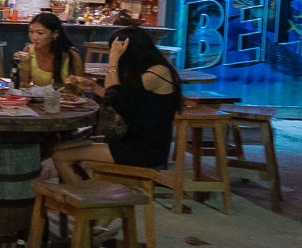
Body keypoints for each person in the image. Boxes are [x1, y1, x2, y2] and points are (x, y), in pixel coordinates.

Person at [52, 27, 182, 181]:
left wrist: (113, 59)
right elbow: (121, 100)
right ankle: (88, 193)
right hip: (132, 142)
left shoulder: (158, 73)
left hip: (145, 150)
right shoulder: (148, 71)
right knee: (60, 148)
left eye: (114, 50)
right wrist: (94, 87)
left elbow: (115, 96)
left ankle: (86, 201)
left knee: (61, 157)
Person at [17, 12, 84, 88]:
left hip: (65, 99)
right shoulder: (29, 51)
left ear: (55, 34)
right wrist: (22, 63)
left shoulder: (73, 56)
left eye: (40, 33)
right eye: (31, 32)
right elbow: (23, 86)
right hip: (39, 98)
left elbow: (79, 91)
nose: (34, 37)